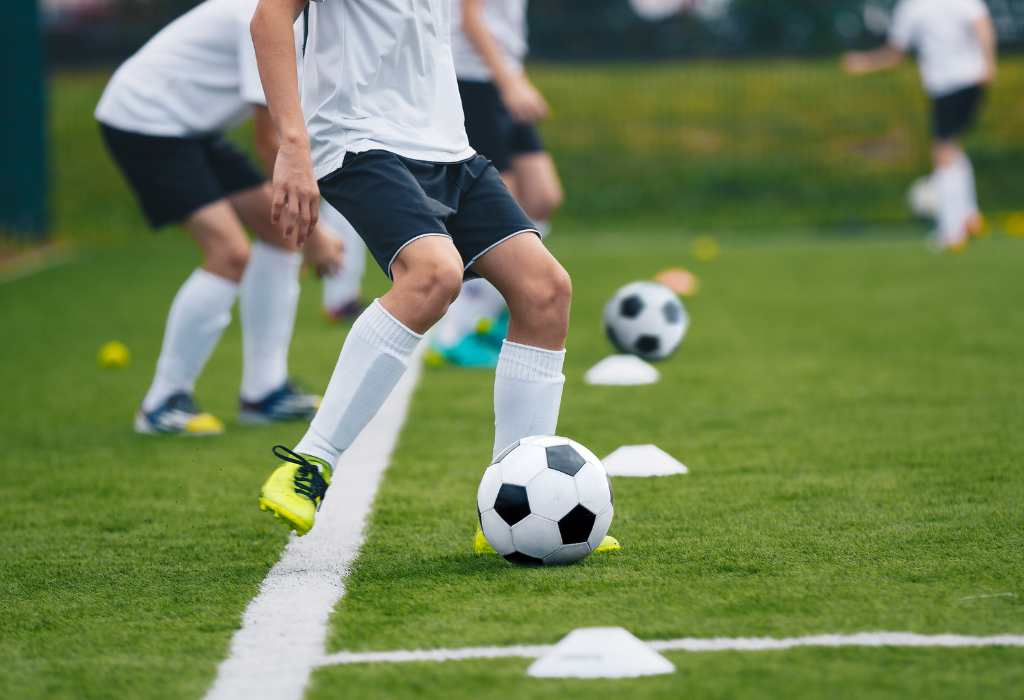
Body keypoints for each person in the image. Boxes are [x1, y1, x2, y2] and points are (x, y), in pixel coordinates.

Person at [250, 0, 573, 537]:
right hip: (359, 138)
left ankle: (511, 507)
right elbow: (269, 18)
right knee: (433, 274)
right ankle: (308, 463)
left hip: (448, 145)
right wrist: (292, 143)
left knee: (546, 291)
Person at [95, 0, 341, 435]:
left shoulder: (305, 19)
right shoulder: (261, 17)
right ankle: (161, 403)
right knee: (228, 253)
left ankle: (265, 393)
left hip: (192, 127)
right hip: (144, 120)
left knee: (281, 235)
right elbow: (273, 143)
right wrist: (317, 235)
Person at [429, 0, 566, 369]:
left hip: (504, 76)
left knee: (542, 197)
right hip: (474, 81)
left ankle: (491, 311)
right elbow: (471, 20)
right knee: (495, 209)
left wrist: (513, 77)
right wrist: (511, 83)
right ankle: (457, 331)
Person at [843, 0, 997, 251]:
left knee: (942, 152)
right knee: (951, 147)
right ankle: (970, 217)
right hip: (973, 79)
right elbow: (982, 26)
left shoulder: (912, 7)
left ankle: (951, 232)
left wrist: (863, 63)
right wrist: (989, 63)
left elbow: (894, 55)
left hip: (948, 85)